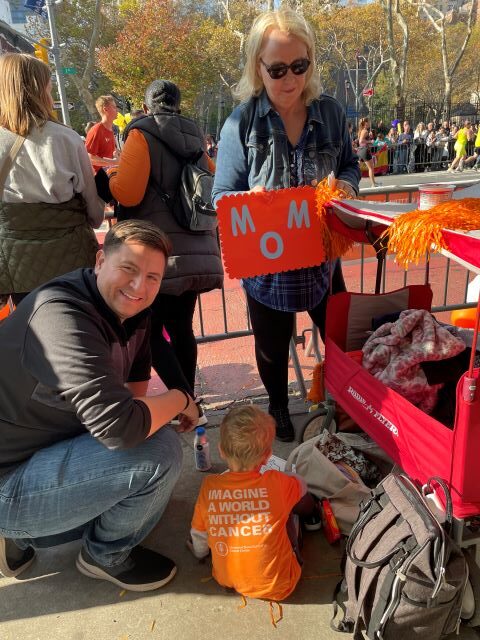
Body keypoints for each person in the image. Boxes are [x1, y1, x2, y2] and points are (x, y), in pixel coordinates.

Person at [0, 219, 200, 591]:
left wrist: (154, 412)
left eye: (153, 277)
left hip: (38, 448)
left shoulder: (134, 312)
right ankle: (104, 555)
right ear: (100, 261)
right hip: (8, 476)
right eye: (129, 269)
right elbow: (121, 430)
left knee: (147, 459)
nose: (139, 287)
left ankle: (32, 529)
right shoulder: (61, 315)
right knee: (159, 453)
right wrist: (180, 400)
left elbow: (133, 399)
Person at [212, 9, 360, 441]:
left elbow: (349, 165)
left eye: (299, 65)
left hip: (323, 260)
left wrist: (346, 186)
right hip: (268, 266)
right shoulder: (241, 122)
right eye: (277, 69)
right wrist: (249, 202)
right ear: (258, 67)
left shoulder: (331, 113)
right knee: (272, 347)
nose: (290, 79)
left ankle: (347, 402)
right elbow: (221, 195)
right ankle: (277, 405)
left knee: (340, 338)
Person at [108, 80, 223, 406]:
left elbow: (129, 192)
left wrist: (112, 177)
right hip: (194, 247)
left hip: (155, 252)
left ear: (146, 108)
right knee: (182, 328)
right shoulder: (195, 136)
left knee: (146, 330)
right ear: (178, 105)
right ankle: (189, 400)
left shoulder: (141, 133)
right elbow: (211, 179)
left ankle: (183, 401)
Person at [0, 53, 104, 307]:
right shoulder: (65, 138)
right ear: (40, 89)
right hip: (72, 262)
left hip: (18, 266)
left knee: (30, 325)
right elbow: (95, 214)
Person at [189, 405, 314, 601]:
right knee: (290, 509)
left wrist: (200, 553)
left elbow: (199, 534)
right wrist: (289, 477)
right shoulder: (277, 483)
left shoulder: (209, 486)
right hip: (281, 585)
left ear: (221, 450)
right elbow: (302, 487)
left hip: (226, 578)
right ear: (267, 456)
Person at [85, 95, 119, 174]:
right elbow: (89, 157)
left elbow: (107, 151)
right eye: (114, 107)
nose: (117, 110)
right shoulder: (96, 130)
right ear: (105, 109)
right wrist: (113, 162)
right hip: (97, 177)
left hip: (108, 174)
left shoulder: (110, 129)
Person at [357, 117, 378, 187]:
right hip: (364, 150)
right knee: (371, 168)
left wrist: (370, 139)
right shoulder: (365, 131)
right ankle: (373, 184)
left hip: (360, 150)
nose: (370, 123)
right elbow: (361, 141)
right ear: (366, 123)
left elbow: (362, 141)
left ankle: (352, 182)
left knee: (357, 168)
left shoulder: (362, 130)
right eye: (369, 122)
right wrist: (370, 141)